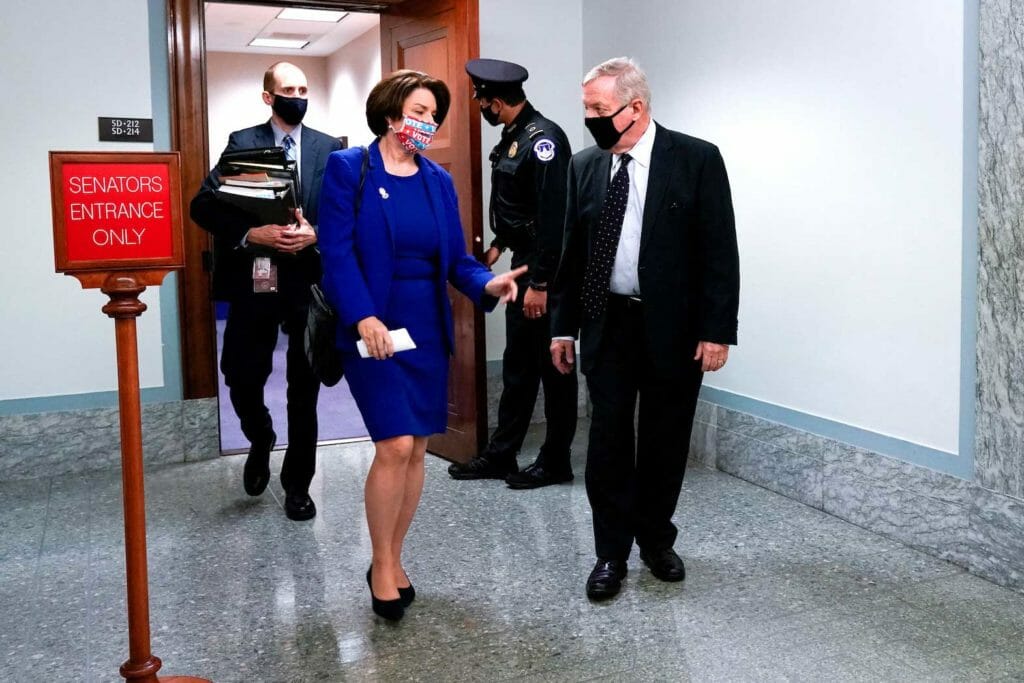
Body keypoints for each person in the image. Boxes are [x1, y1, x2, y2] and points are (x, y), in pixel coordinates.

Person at [317, 70, 525, 621]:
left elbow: (456, 258)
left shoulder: (437, 179)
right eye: (419, 110)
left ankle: (392, 555)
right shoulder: (349, 168)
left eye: (434, 114)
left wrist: (489, 284)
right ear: (391, 115)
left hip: (424, 331)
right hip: (372, 329)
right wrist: (363, 316)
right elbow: (335, 253)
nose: (428, 122)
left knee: (417, 450)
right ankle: (381, 563)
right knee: (393, 445)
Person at [549, 57, 740, 600]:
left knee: (665, 436)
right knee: (607, 438)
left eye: (599, 109)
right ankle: (610, 553)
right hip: (606, 322)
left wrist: (716, 330)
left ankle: (656, 539)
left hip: (673, 329)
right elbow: (573, 253)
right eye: (586, 108)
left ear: (636, 108)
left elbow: (719, 252)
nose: (589, 118)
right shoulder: (585, 165)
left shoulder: (696, 159)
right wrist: (563, 329)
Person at [190, 62, 343, 521]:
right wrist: (251, 234)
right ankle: (260, 435)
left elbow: (345, 214)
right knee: (240, 372)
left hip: (307, 281)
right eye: (288, 89)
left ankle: (298, 484)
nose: (297, 95)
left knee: (305, 385)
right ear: (268, 97)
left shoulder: (328, 149)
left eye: (303, 88)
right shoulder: (243, 144)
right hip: (257, 276)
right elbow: (203, 205)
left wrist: (317, 233)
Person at [447, 59, 578, 489]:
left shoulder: (545, 140)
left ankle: (556, 460)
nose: (481, 108)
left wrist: (540, 285)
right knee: (518, 367)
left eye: (482, 102)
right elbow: (517, 208)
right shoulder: (513, 138)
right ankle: (502, 455)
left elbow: (555, 217)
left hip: (547, 273)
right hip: (523, 263)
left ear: (495, 102)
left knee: (554, 370)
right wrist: (498, 247)